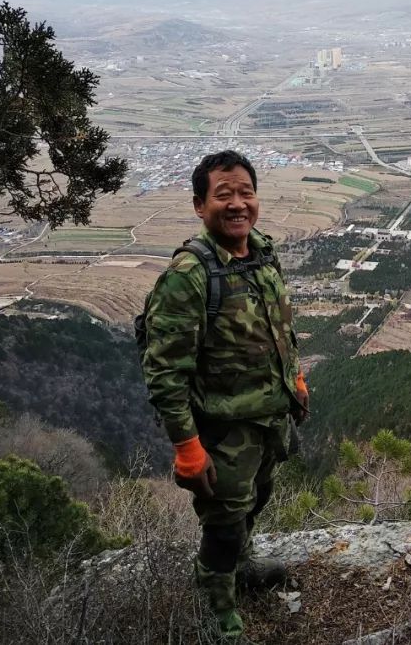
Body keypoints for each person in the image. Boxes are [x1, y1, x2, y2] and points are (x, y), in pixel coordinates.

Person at [140, 150, 309, 639]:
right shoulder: (189, 276)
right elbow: (165, 372)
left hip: (268, 416)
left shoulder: (261, 252)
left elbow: (280, 328)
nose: (238, 204)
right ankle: (216, 603)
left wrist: (295, 378)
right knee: (224, 520)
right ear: (199, 205)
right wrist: (187, 447)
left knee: (256, 498)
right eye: (223, 195)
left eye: (246, 193)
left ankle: (241, 566)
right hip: (224, 426)